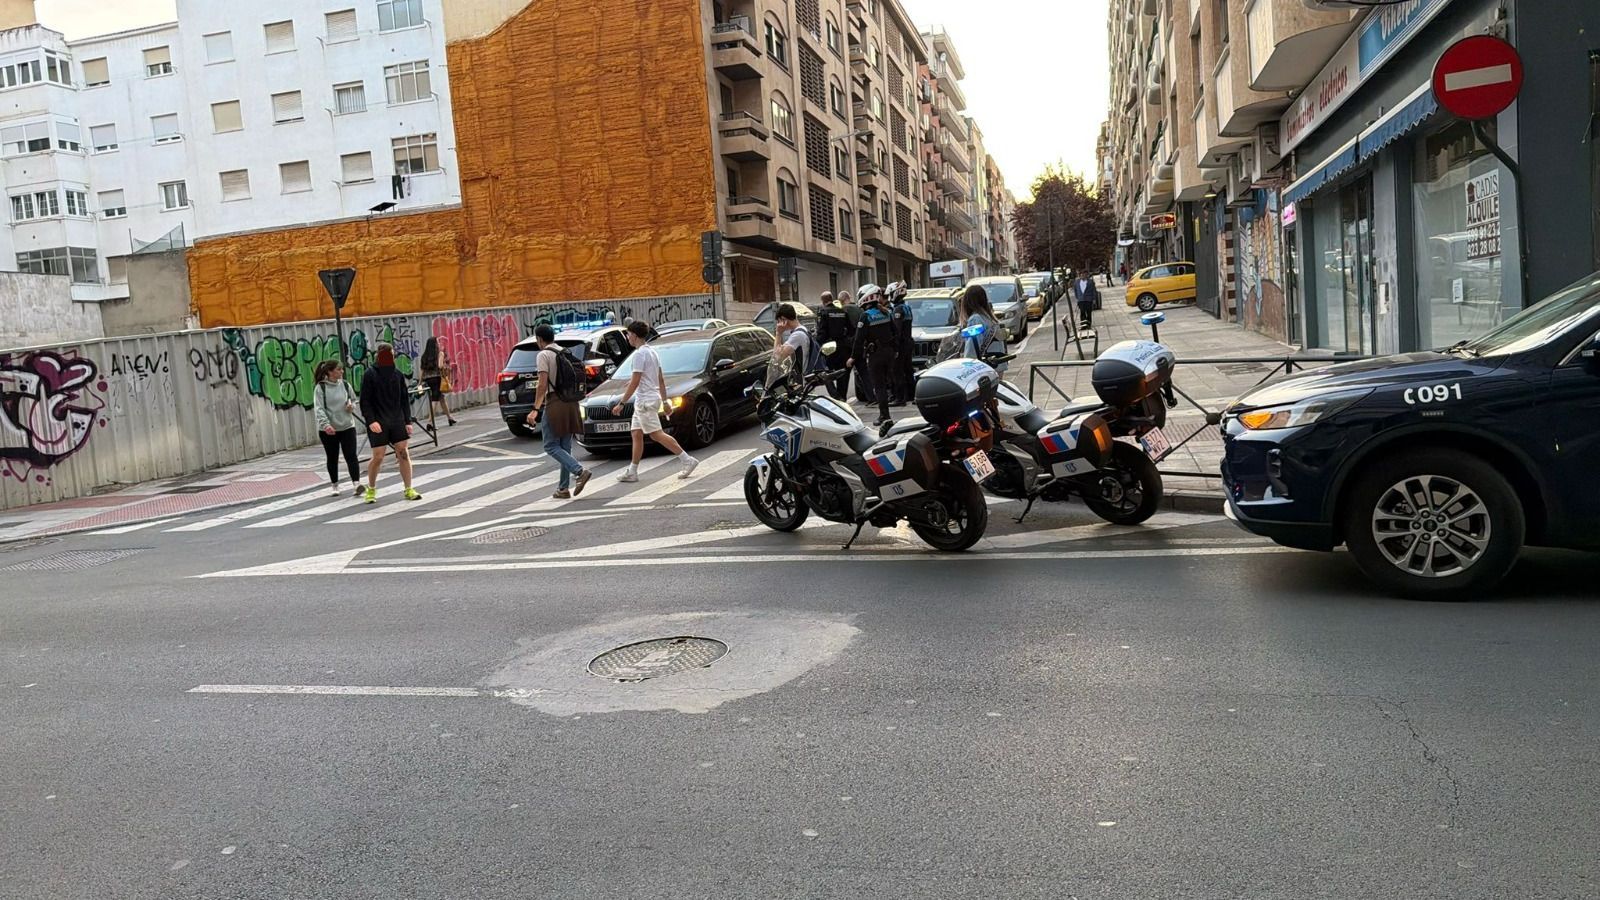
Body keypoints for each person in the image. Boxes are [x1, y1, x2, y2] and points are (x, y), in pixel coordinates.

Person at [610, 320, 698, 483]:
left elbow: (636, 380)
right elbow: (659, 379)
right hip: (648, 400)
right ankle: (632, 471)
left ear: (634, 335)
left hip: (645, 401)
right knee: (636, 433)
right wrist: (664, 401)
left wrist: (621, 403)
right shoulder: (652, 352)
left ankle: (687, 460)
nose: (628, 338)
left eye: (628, 334)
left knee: (656, 434)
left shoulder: (639, 354)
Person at [526, 325, 591, 500]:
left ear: (539, 339)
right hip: (571, 402)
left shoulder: (543, 355)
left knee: (550, 445)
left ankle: (579, 471)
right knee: (564, 447)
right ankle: (563, 488)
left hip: (555, 403)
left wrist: (535, 409)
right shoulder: (565, 352)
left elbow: (542, 384)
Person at [358, 343, 421, 503]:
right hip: (378, 421)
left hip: (397, 420)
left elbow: (404, 399)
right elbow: (365, 401)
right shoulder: (370, 374)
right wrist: (371, 421)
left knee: (403, 453)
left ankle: (408, 488)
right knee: (378, 457)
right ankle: (371, 488)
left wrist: (407, 421)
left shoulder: (397, 374)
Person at [847, 284, 900, 428]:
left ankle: (885, 416)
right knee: (888, 383)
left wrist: (853, 357)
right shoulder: (886, 313)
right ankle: (887, 412)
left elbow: (858, 340)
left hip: (876, 355)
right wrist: (895, 350)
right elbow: (895, 333)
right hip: (889, 353)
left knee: (879, 386)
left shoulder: (866, 316)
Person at [313, 360, 362, 497]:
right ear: (330, 372)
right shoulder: (321, 388)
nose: (342, 371)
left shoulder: (345, 385)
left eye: (342, 369)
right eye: (338, 369)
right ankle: (334, 485)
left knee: (351, 455)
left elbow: (353, 399)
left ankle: (357, 484)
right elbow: (319, 408)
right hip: (329, 429)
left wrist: (351, 406)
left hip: (347, 426)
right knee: (332, 457)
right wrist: (326, 425)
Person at [958, 284, 1006, 373]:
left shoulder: (975, 319)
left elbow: (972, 349)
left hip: (985, 368)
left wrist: (966, 367)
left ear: (967, 302)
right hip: (997, 364)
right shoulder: (990, 318)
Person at [815, 291, 851, 401]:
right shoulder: (842, 311)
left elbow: (822, 332)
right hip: (842, 346)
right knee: (842, 373)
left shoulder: (823, 312)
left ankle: (835, 396)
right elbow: (849, 328)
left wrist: (817, 344)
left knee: (826, 373)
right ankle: (842, 396)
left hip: (829, 347)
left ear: (823, 301)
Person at [418, 338, 458, 427]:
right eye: (438, 342)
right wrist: (445, 366)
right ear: (435, 344)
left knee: (441, 398)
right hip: (437, 379)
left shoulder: (424, 356)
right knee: (435, 399)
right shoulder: (440, 353)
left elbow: (422, 370)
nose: (439, 343)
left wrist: (420, 382)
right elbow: (440, 366)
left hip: (428, 380)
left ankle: (450, 418)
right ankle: (429, 422)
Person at [888, 283, 916, 406]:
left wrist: (895, 347)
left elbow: (897, 330)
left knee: (897, 371)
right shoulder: (907, 307)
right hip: (908, 342)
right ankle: (912, 395)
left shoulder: (898, 310)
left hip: (901, 345)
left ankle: (900, 398)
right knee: (908, 370)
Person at [772, 303, 814, 381]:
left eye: (778, 321)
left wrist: (778, 333)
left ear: (783, 319)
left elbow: (777, 357)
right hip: (805, 377)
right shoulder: (803, 329)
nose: (778, 324)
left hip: (802, 380)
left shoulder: (797, 335)